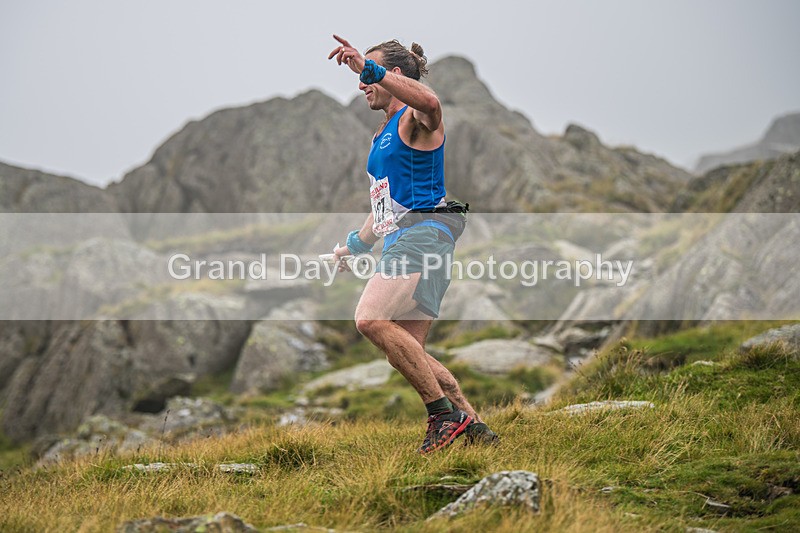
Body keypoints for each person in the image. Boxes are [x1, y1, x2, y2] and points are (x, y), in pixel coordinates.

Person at [328, 35, 498, 453]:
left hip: (422, 236)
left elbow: (433, 104)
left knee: (369, 319)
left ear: (394, 74)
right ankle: (472, 424)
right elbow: (383, 208)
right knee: (408, 351)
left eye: (369, 74)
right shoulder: (382, 136)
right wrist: (353, 247)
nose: (361, 83)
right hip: (411, 237)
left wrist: (370, 67)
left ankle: (442, 416)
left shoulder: (415, 118)